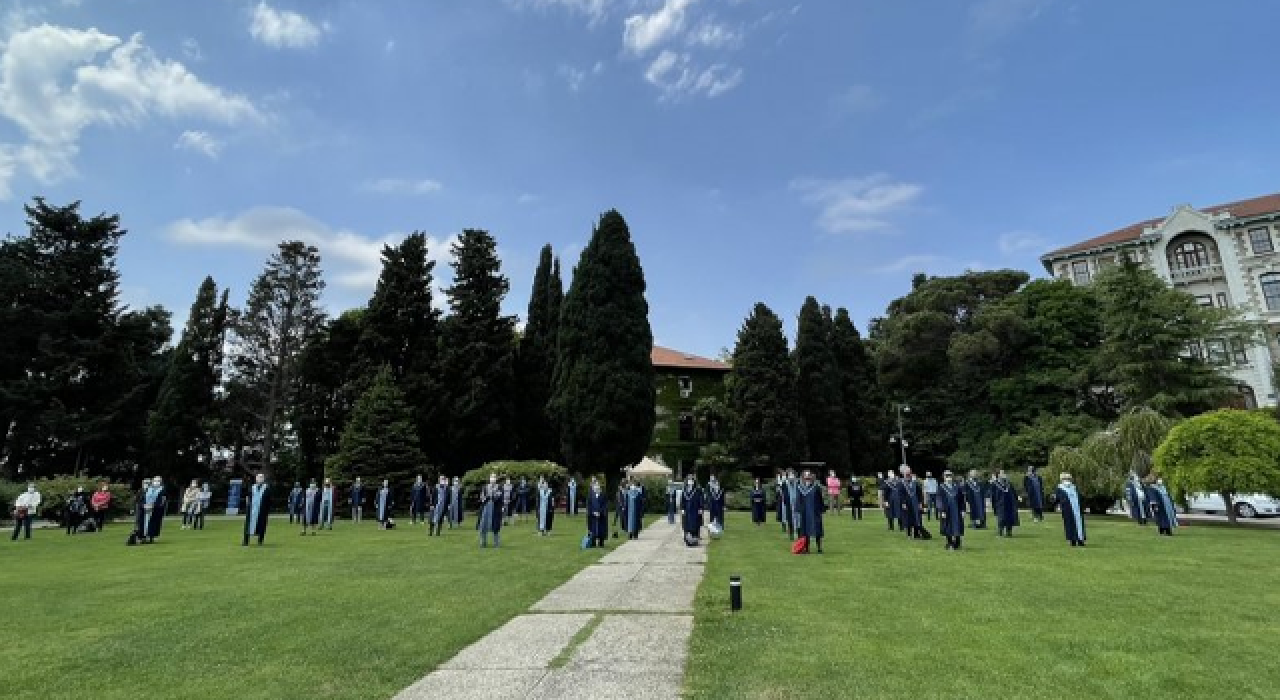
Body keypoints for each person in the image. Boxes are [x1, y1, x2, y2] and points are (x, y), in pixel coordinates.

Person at [794, 470, 826, 554]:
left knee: (817, 530)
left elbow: (820, 499)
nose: (807, 478)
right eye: (806, 476)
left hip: (815, 512)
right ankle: (807, 549)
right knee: (805, 531)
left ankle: (819, 548)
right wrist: (798, 510)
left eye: (809, 476)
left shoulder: (816, 487)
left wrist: (821, 509)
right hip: (805, 513)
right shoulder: (800, 488)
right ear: (803, 478)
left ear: (811, 477)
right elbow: (798, 500)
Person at [1055, 473, 1086, 547]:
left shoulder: (1060, 488)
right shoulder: (1074, 487)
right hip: (1077, 508)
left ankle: (1073, 541)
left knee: (1069, 524)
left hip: (1067, 509)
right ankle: (1080, 540)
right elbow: (1080, 497)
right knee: (1078, 523)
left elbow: (1058, 499)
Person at [937, 470, 965, 550]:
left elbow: (961, 499)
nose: (948, 477)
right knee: (948, 526)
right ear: (944, 477)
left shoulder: (957, 487)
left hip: (956, 510)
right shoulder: (941, 487)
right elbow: (939, 500)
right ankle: (949, 542)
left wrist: (963, 510)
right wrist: (942, 510)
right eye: (947, 476)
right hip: (947, 510)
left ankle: (957, 542)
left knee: (957, 526)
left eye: (950, 476)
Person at [135, 477, 167, 544]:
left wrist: (153, 506)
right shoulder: (148, 489)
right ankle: (142, 537)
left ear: (161, 482)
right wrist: (144, 505)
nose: (156, 482)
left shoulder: (162, 490)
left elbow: (162, 502)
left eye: (158, 481)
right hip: (145, 509)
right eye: (155, 480)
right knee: (143, 524)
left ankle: (150, 537)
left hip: (155, 510)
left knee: (152, 524)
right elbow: (141, 499)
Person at [242, 472, 271, 547]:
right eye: (258, 477)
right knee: (248, 525)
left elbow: (268, 500)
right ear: (256, 479)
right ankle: (245, 541)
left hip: (262, 511)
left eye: (261, 478)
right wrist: (248, 506)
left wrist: (267, 511)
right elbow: (248, 497)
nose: (260, 479)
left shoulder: (266, 488)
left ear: (263, 479)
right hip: (251, 510)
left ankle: (260, 541)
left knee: (261, 525)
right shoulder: (252, 487)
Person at [991, 469, 1020, 537]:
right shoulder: (995, 484)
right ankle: (1000, 532)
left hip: (1010, 503)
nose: (1004, 474)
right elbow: (993, 495)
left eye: (1004, 473)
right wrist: (993, 504)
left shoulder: (1008, 483)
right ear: (998, 475)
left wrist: (1017, 497)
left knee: (1010, 518)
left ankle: (1009, 532)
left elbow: (1013, 491)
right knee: (1001, 518)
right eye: (1002, 473)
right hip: (1000, 503)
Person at [477, 473, 502, 548]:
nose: (493, 479)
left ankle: (496, 543)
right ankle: (483, 542)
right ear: (489, 478)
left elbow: (497, 497)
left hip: (495, 510)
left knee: (496, 527)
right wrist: (487, 497)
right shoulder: (485, 487)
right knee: (483, 526)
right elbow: (482, 498)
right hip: (485, 509)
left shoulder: (499, 487)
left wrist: (490, 495)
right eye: (491, 477)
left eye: (494, 477)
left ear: (496, 479)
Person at [899, 467, 924, 539]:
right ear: (904, 475)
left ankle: (916, 534)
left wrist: (920, 503)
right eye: (906, 474)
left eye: (909, 474)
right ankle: (909, 534)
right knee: (908, 519)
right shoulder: (902, 484)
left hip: (915, 503)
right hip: (907, 504)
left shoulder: (915, 483)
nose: (908, 476)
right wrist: (903, 503)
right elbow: (901, 494)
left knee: (917, 519)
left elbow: (919, 494)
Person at [680, 475, 704, 546]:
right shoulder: (684, 490)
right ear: (687, 481)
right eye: (689, 480)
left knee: (695, 524)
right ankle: (688, 539)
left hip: (695, 510)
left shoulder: (698, 490)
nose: (690, 482)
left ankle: (695, 539)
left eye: (692, 480)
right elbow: (682, 500)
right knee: (687, 524)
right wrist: (682, 508)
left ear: (694, 481)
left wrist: (701, 508)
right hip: (687, 510)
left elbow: (701, 500)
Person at [587, 481, 608, 548]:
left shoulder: (603, 495)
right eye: (595, 486)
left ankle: (601, 542)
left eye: (598, 486)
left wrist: (600, 512)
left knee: (601, 529)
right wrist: (593, 512)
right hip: (593, 515)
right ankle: (593, 542)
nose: (596, 487)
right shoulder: (590, 496)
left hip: (601, 515)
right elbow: (589, 505)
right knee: (593, 529)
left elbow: (605, 505)